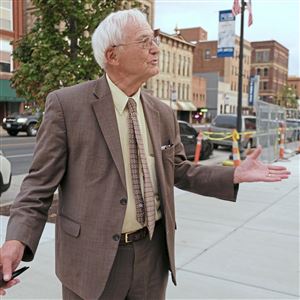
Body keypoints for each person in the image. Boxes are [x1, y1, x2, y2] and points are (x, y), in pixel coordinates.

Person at [0, 9, 290, 300]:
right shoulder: (67, 106)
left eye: (154, 40)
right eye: (144, 41)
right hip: (92, 261)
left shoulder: (162, 113)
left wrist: (234, 173)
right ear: (112, 55)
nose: (155, 48)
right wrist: (16, 241)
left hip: (153, 257)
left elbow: (178, 170)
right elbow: (38, 185)